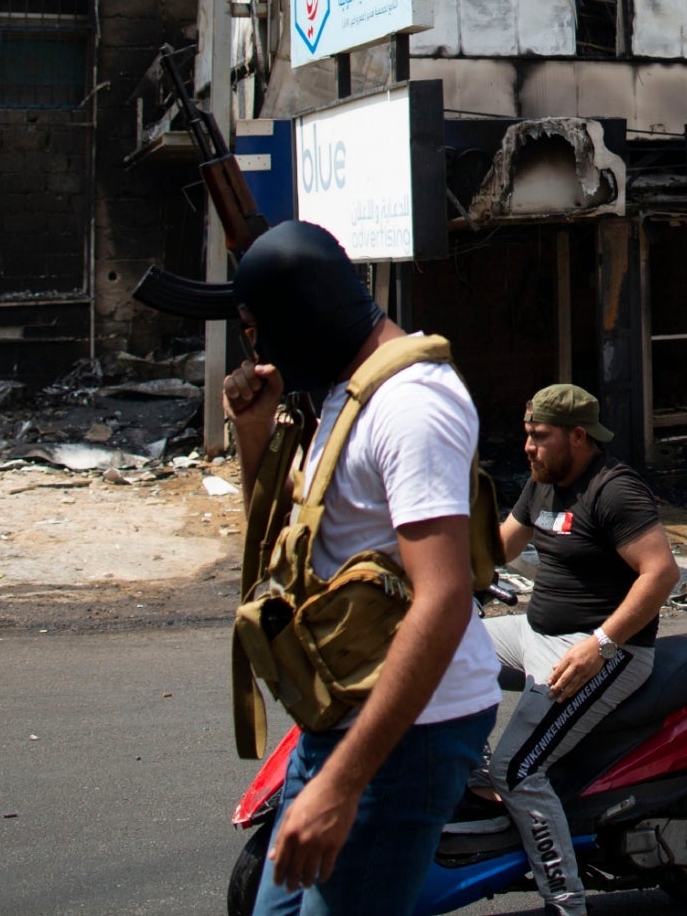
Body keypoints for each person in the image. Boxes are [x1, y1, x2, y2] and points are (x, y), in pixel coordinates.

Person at [220, 221, 500, 916]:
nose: (257, 348)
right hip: (345, 717)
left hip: (409, 734)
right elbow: (297, 541)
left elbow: (444, 599)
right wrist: (255, 430)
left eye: (259, 329)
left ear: (300, 313)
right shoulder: (354, 391)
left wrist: (343, 783)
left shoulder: (411, 404)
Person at [477, 385, 681, 916]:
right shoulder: (544, 483)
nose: (528, 446)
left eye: (539, 436)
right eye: (527, 434)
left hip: (604, 651)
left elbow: (661, 573)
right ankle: (468, 776)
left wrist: (602, 644)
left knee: (518, 770)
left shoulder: (613, 490)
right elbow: (498, 549)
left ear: (577, 436)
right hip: (533, 634)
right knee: (432, 654)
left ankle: (567, 904)